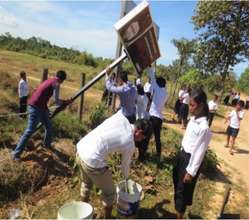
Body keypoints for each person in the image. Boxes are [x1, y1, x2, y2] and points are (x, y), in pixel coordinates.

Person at [76, 111, 151, 218]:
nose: (142, 140)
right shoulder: (130, 143)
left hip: (81, 149)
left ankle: (83, 214)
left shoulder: (120, 117)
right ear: (139, 132)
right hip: (93, 160)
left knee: (87, 183)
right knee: (110, 194)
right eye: (143, 137)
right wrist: (126, 181)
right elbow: (124, 168)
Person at [12, 70, 72, 161]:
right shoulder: (56, 83)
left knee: (49, 126)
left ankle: (47, 145)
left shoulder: (50, 80)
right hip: (35, 107)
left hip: (41, 107)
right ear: (62, 80)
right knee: (30, 130)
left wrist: (46, 107)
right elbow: (56, 101)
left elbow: (40, 92)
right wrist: (65, 102)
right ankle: (16, 154)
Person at [173, 88, 212, 219]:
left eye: (192, 105)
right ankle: (179, 212)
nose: (189, 107)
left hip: (189, 161)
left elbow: (200, 152)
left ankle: (179, 216)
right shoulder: (193, 119)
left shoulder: (204, 128)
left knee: (182, 193)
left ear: (200, 106)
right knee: (177, 186)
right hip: (182, 155)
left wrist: (191, 172)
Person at [138, 66, 167, 162]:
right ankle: (159, 155)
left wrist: (150, 65)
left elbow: (151, 75)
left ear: (157, 84)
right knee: (157, 138)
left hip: (152, 118)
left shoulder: (156, 88)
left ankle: (142, 157)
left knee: (146, 137)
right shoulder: (165, 92)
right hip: (159, 119)